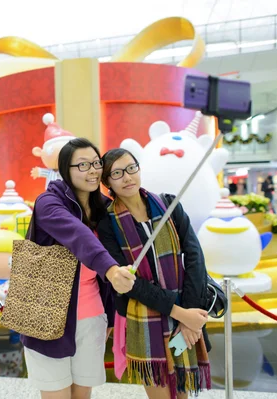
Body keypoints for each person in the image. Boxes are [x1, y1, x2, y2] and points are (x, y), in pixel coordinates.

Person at [22, 138, 136, 399]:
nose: (93, 170)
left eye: (96, 163)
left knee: (82, 395)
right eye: (83, 165)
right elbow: (78, 235)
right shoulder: (48, 203)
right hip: (47, 315)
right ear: (65, 169)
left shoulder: (104, 208)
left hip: (91, 318)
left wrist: (109, 313)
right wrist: (110, 268)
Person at [96, 148, 211, 399]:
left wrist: (188, 316)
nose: (127, 177)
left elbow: (194, 256)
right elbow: (129, 284)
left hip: (184, 308)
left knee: (182, 395)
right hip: (143, 317)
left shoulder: (169, 205)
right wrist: (180, 313)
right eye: (117, 173)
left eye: (131, 168)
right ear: (106, 183)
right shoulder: (107, 223)